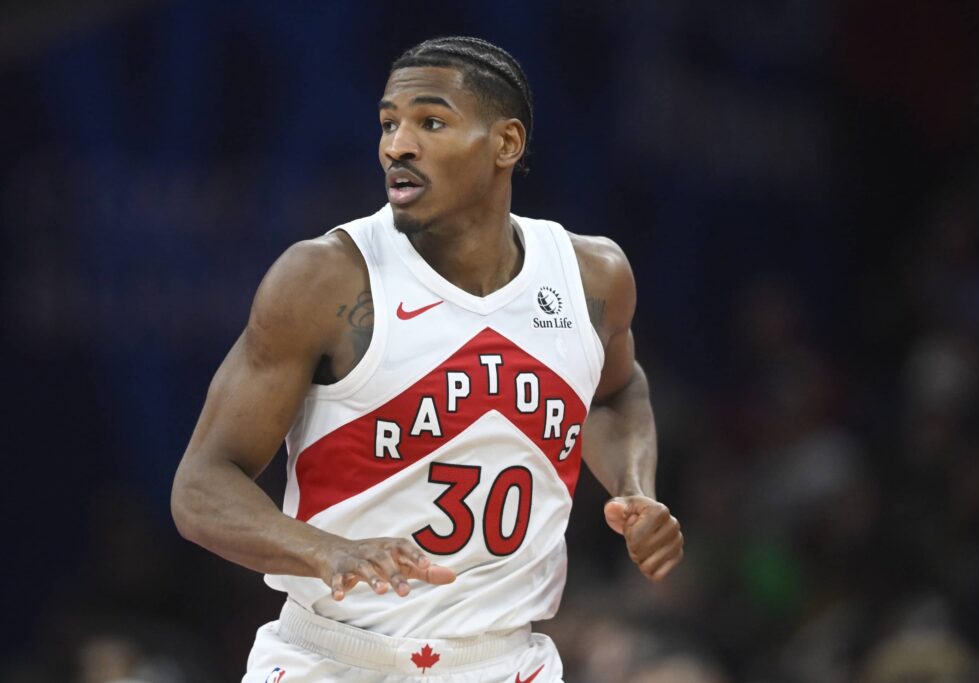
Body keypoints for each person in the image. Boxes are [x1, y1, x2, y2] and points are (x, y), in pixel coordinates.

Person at [171, 36, 683, 682]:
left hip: (503, 662)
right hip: (334, 657)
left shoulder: (592, 275)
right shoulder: (325, 278)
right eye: (389, 123)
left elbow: (614, 390)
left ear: (506, 144)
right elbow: (200, 486)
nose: (397, 145)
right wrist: (326, 550)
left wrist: (636, 487)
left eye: (430, 122)